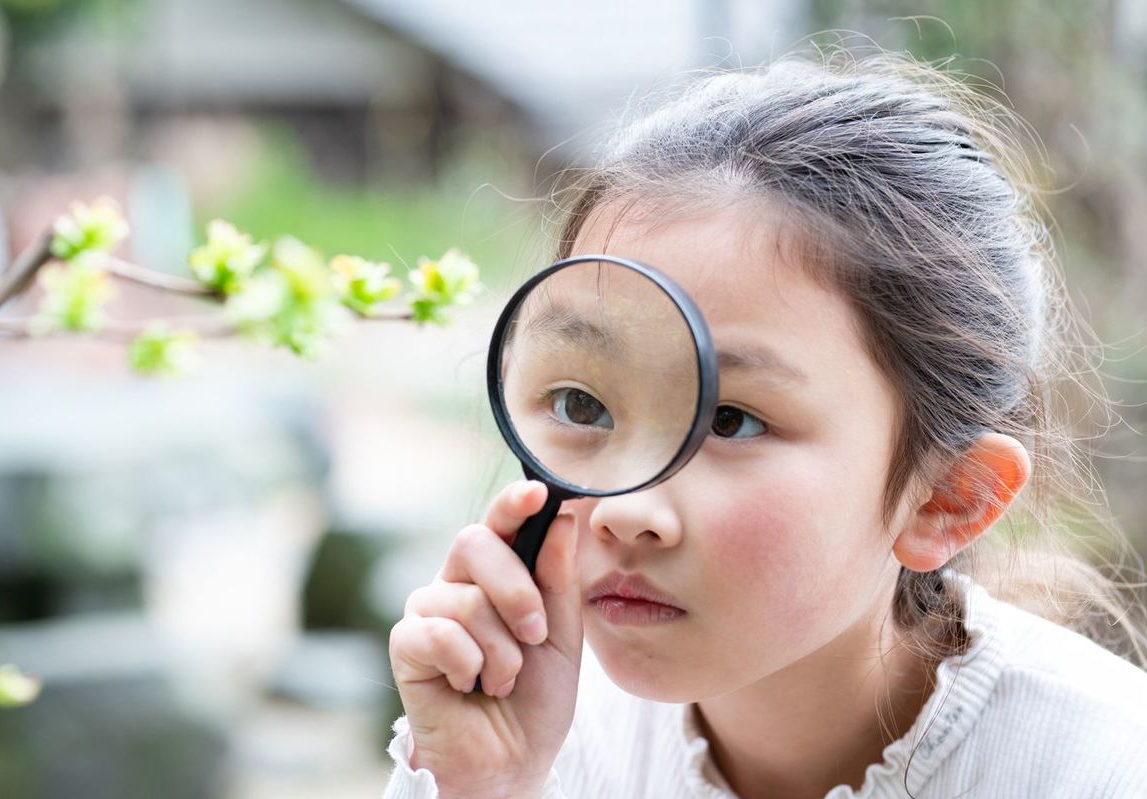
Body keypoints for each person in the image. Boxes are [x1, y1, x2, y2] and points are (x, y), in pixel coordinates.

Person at [381, 48, 1147, 799]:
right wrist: (491, 786)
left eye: (730, 419)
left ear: (948, 496)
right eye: (583, 405)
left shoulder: (1101, 768)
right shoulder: (540, 731)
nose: (624, 509)